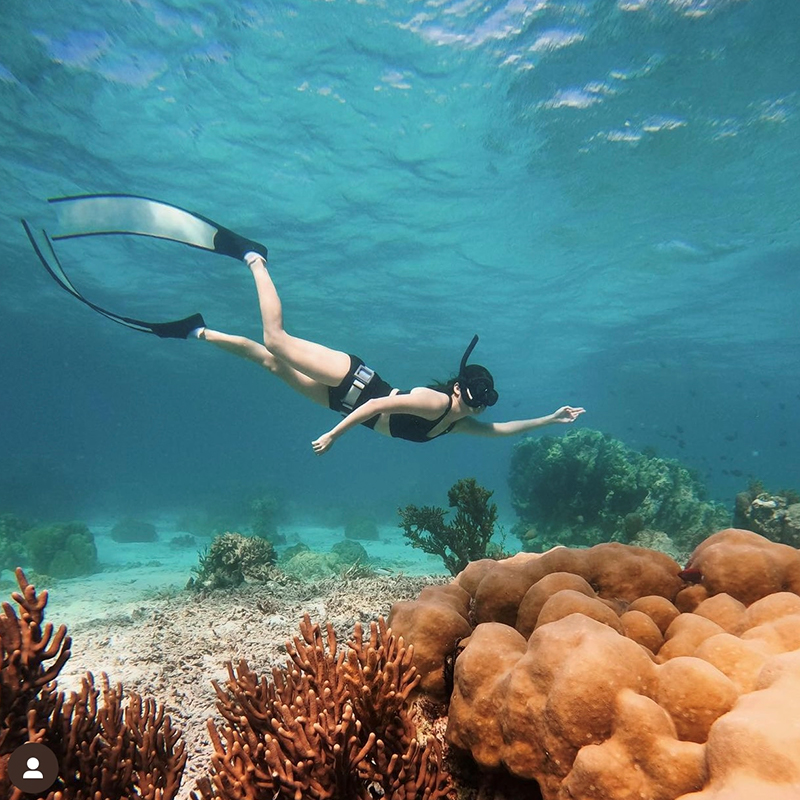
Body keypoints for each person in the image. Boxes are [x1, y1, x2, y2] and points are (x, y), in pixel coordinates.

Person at [191, 251, 585, 455]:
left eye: (488, 400)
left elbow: (503, 431)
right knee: (276, 340)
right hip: (353, 382)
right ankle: (255, 259)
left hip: (341, 404)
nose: (482, 407)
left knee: (269, 362)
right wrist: (333, 436)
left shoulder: (457, 422)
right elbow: (375, 407)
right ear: (460, 388)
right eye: (478, 395)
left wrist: (550, 419)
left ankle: (200, 332)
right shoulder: (435, 403)